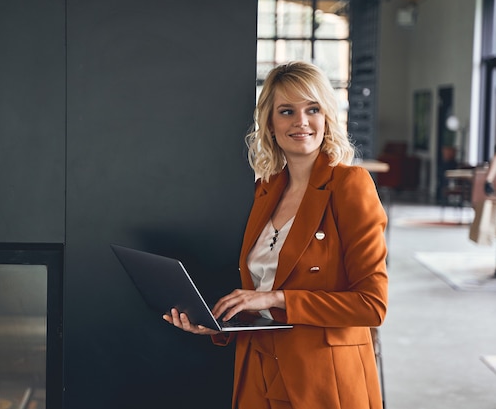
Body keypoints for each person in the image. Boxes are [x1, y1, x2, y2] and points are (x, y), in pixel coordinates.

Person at [163, 61, 388, 409]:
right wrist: (219, 325)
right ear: (269, 123)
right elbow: (260, 291)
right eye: (287, 111)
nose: (301, 121)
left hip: (322, 380)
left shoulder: (349, 185)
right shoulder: (265, 191)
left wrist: (276, 299)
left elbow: (372, 305)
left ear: (326, 116)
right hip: (257, 371)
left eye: (312, 109)